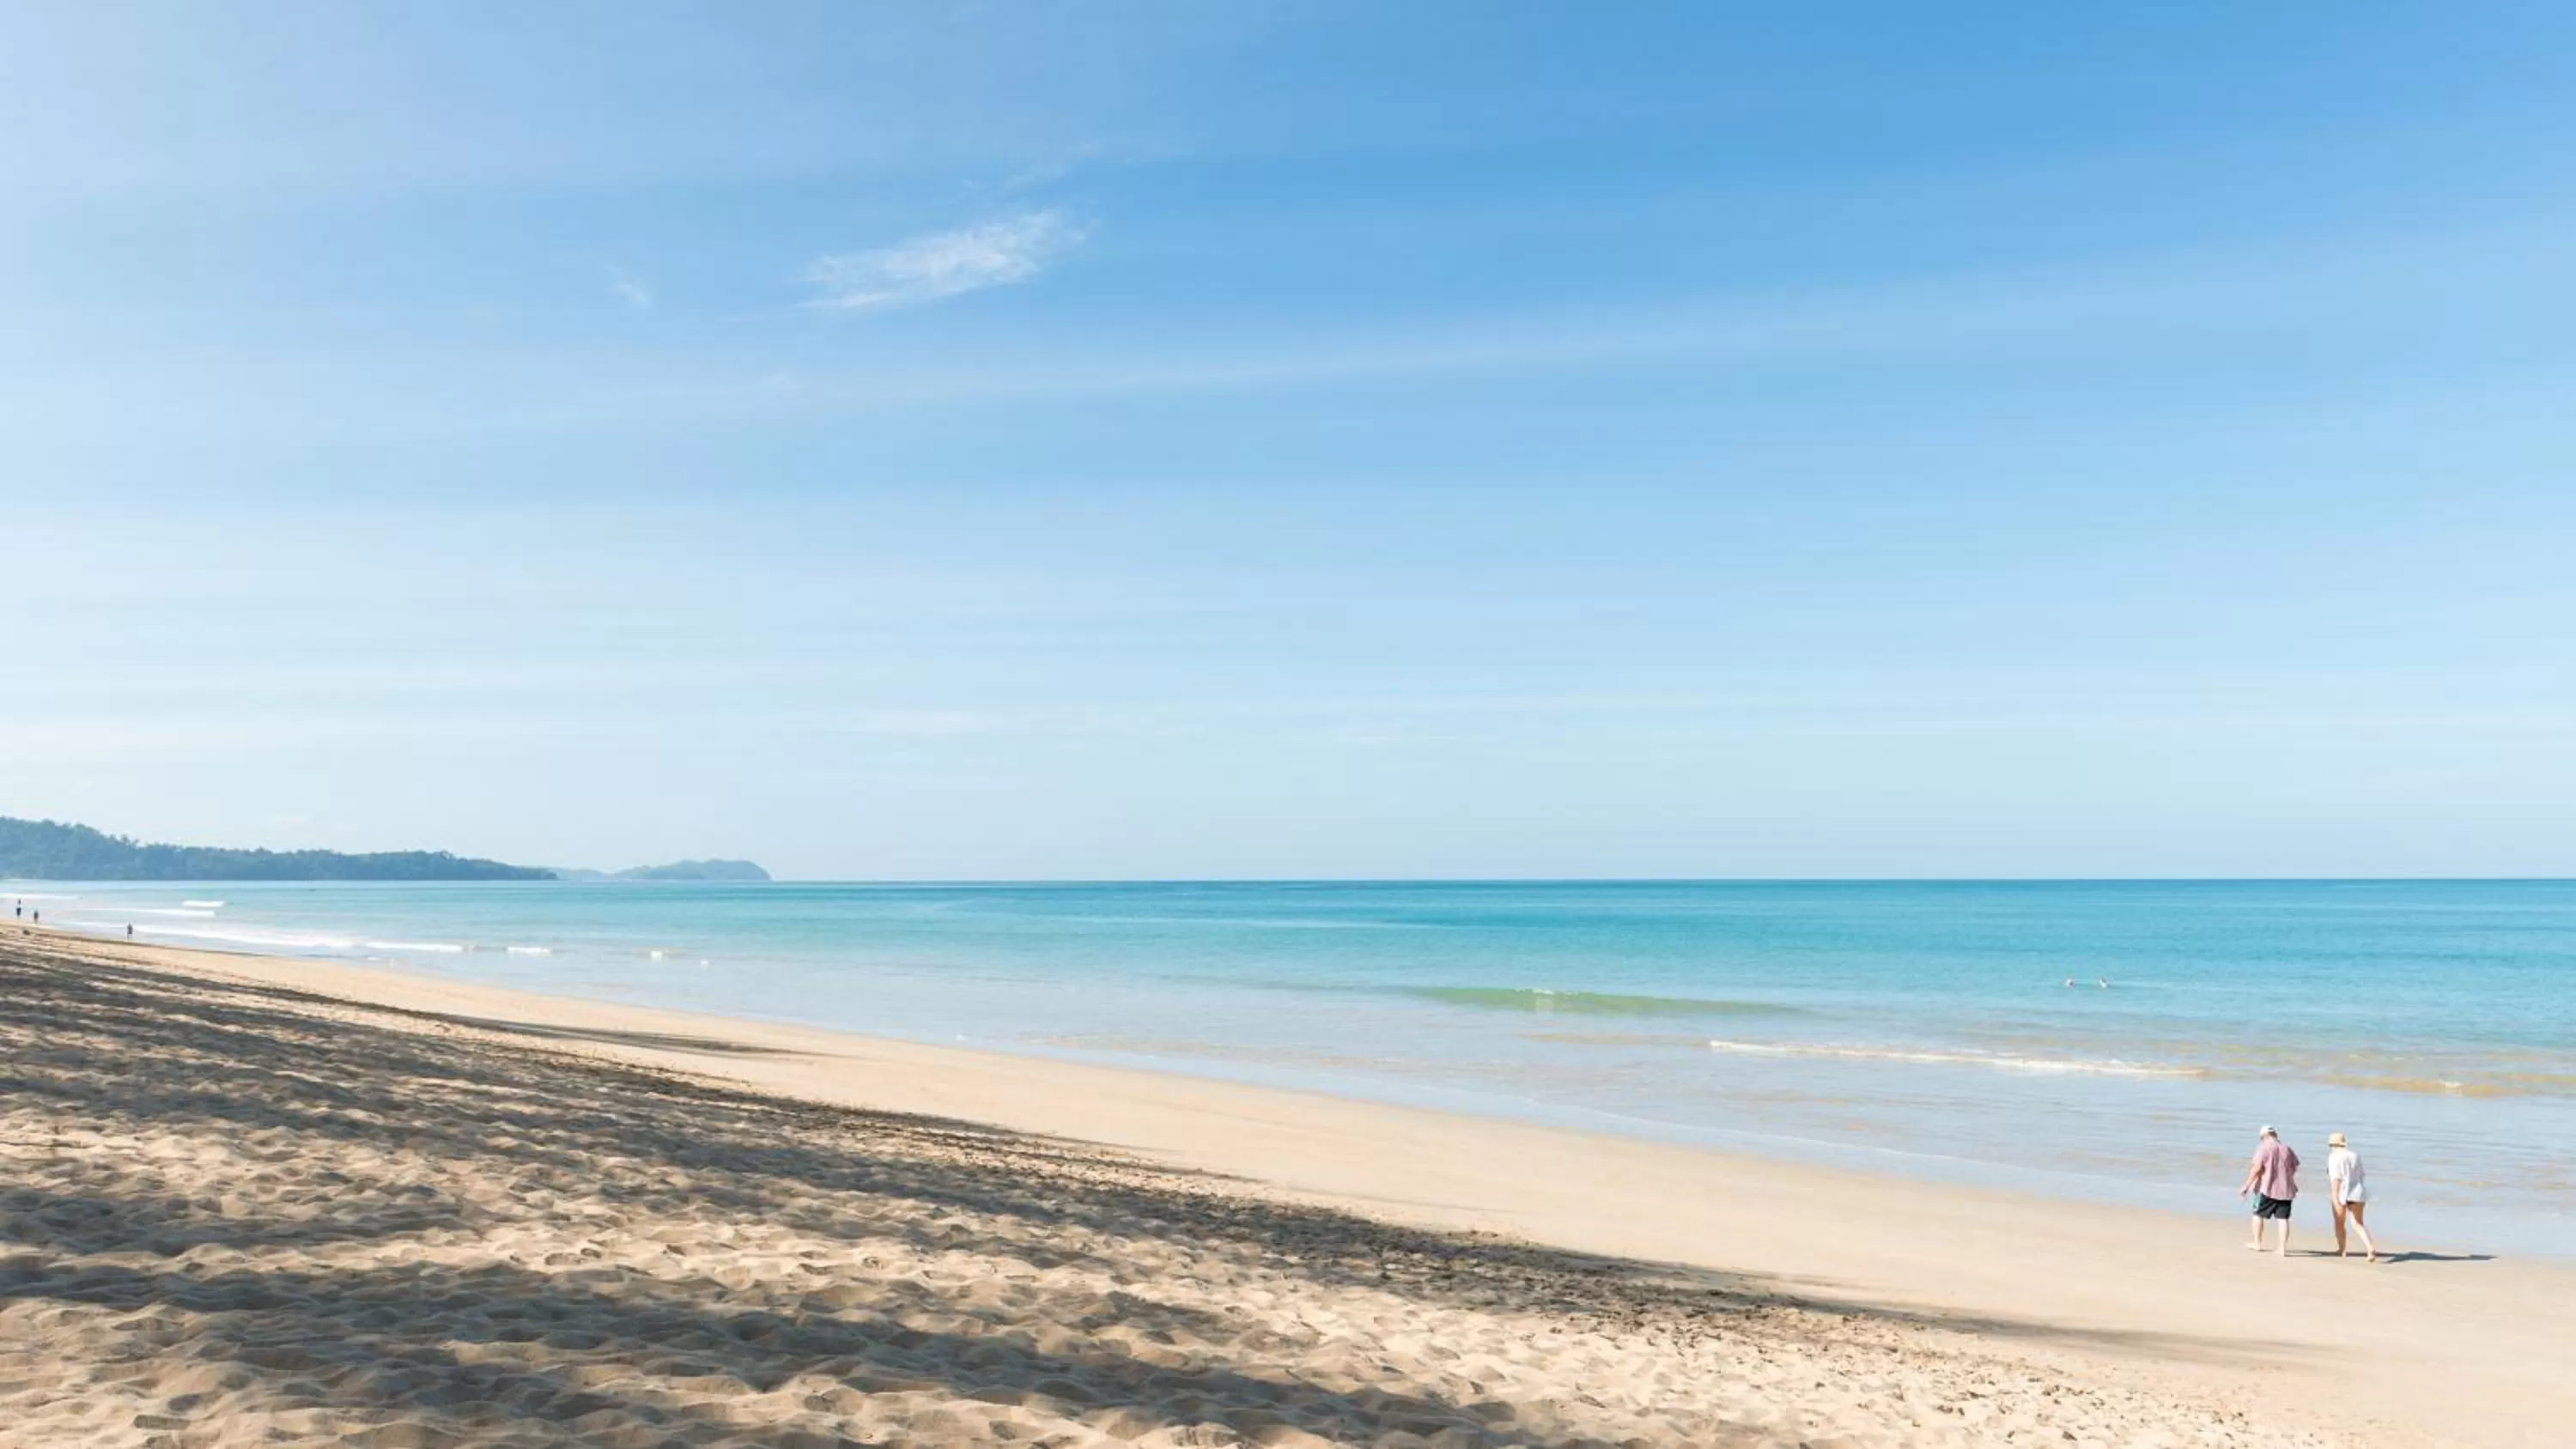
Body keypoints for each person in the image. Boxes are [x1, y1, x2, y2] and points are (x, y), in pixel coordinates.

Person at [2238, 1125, 2300, 1256]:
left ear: (2264, 1136)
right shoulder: (2286, 1148)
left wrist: (2246, 1186)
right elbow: (2295, 1166)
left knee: (2258, 1214)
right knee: (2283, 1219)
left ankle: (2257, 1243)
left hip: (2267, 1188)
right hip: (2286, 1190)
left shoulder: (2263, 1148)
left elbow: (2256, 1168)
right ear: (2275, 1135)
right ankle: (2282, 1249)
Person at [2326, 1131, 2381, 1263]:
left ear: (2332, 1145)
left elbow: (2336, 1178)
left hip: (2342, 1192)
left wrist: (2334, 1197)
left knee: (2339, 1222)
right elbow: (2362, 1175)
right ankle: (2370, 1248)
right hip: (2358, 1191)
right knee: (2358, 1223)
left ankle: (2342, 1249)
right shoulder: (2355, 1155)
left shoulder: (2334, 1157)